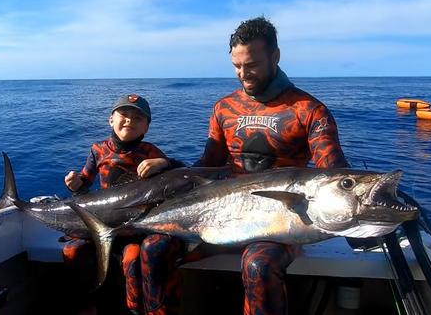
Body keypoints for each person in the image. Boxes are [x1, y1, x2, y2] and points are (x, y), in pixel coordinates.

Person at [139, 16, 348, 315]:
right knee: (153, 249)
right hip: (219, 217)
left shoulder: (308, 109)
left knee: (258, 265)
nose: (243, 73)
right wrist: (169, 164)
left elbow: (333, 170)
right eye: (236, 66)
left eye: (251, 64)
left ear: (274, 57)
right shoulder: (224, 108)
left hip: (280, 225)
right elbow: (208, 164)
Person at [63, 93, 182, 314]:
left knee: (133, 258)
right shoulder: (98, 150)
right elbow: (84, 185)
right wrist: (75, 183)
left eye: (138, 118)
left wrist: (165, 162)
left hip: (134, 228)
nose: (129, 120)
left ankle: (133, 310)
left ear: (146, 127)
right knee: (72, 251)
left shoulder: (150, 152)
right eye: (124, 115)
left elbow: (183, 175)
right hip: (101, 223)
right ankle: (87, 306)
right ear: (110, 119)